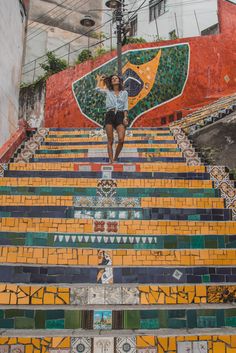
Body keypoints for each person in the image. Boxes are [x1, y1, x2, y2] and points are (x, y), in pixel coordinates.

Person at [95, 74, 129, 163]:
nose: (114, 79)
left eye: (116, 78)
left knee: (121, 139)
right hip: (110, 114)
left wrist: (125, 117)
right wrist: (100, 80)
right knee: (110, 140)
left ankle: (115, 158)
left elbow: (126, 106)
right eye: (112, 78)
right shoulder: (108, 91)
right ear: (111, 81)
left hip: (120, 115)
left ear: (119, 81)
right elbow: (97, 89)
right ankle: (111, 160)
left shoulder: (124, 93)